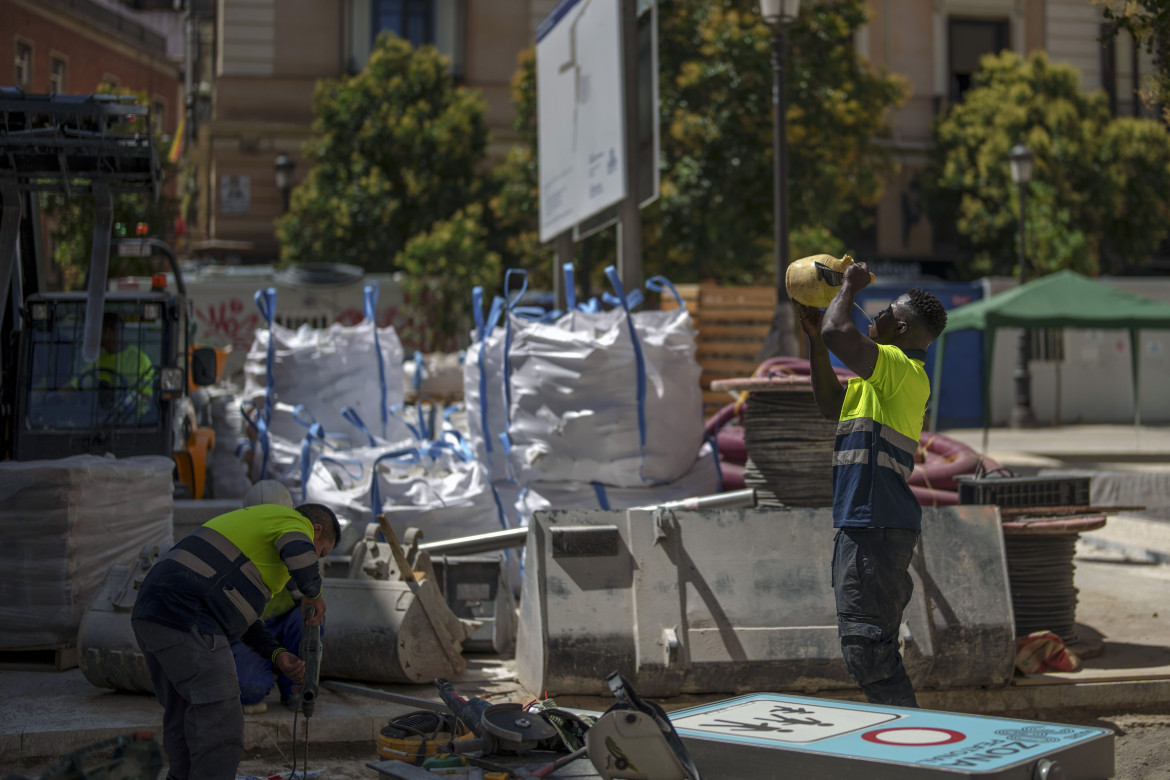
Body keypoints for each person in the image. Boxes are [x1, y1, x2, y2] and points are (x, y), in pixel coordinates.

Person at [797, 261, 947, 708]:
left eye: (882, 313)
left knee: (870, 655)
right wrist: (815, 341)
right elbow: (829, 403)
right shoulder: (882, 378)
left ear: (899, 329)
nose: (872, 316)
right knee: (869, 652)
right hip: (866, 524)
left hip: (875, 526)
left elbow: (839, 332)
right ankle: (906, 744)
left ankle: (913, 752)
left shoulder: (900, 369)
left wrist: (849, 285)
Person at [131, 502, 339, 780]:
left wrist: (276, 653)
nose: (315, 560)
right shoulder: (292, 523)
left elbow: (243, 618)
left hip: (154, 613)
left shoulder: (256, 538)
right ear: (315, 529)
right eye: (320, 552)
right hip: (189, 612)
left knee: (184, 715)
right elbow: (298, 546)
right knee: (221, 723)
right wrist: (313, 593)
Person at [68, 312, 155, 417]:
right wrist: (55, 397)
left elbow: (145, 398)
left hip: (129, 422)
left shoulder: (140, 360)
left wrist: (118, 398)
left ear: (107, 331)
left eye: (95, 332)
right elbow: (75, 387)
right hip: (95, 420)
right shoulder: (99, 361)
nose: (92, 337)